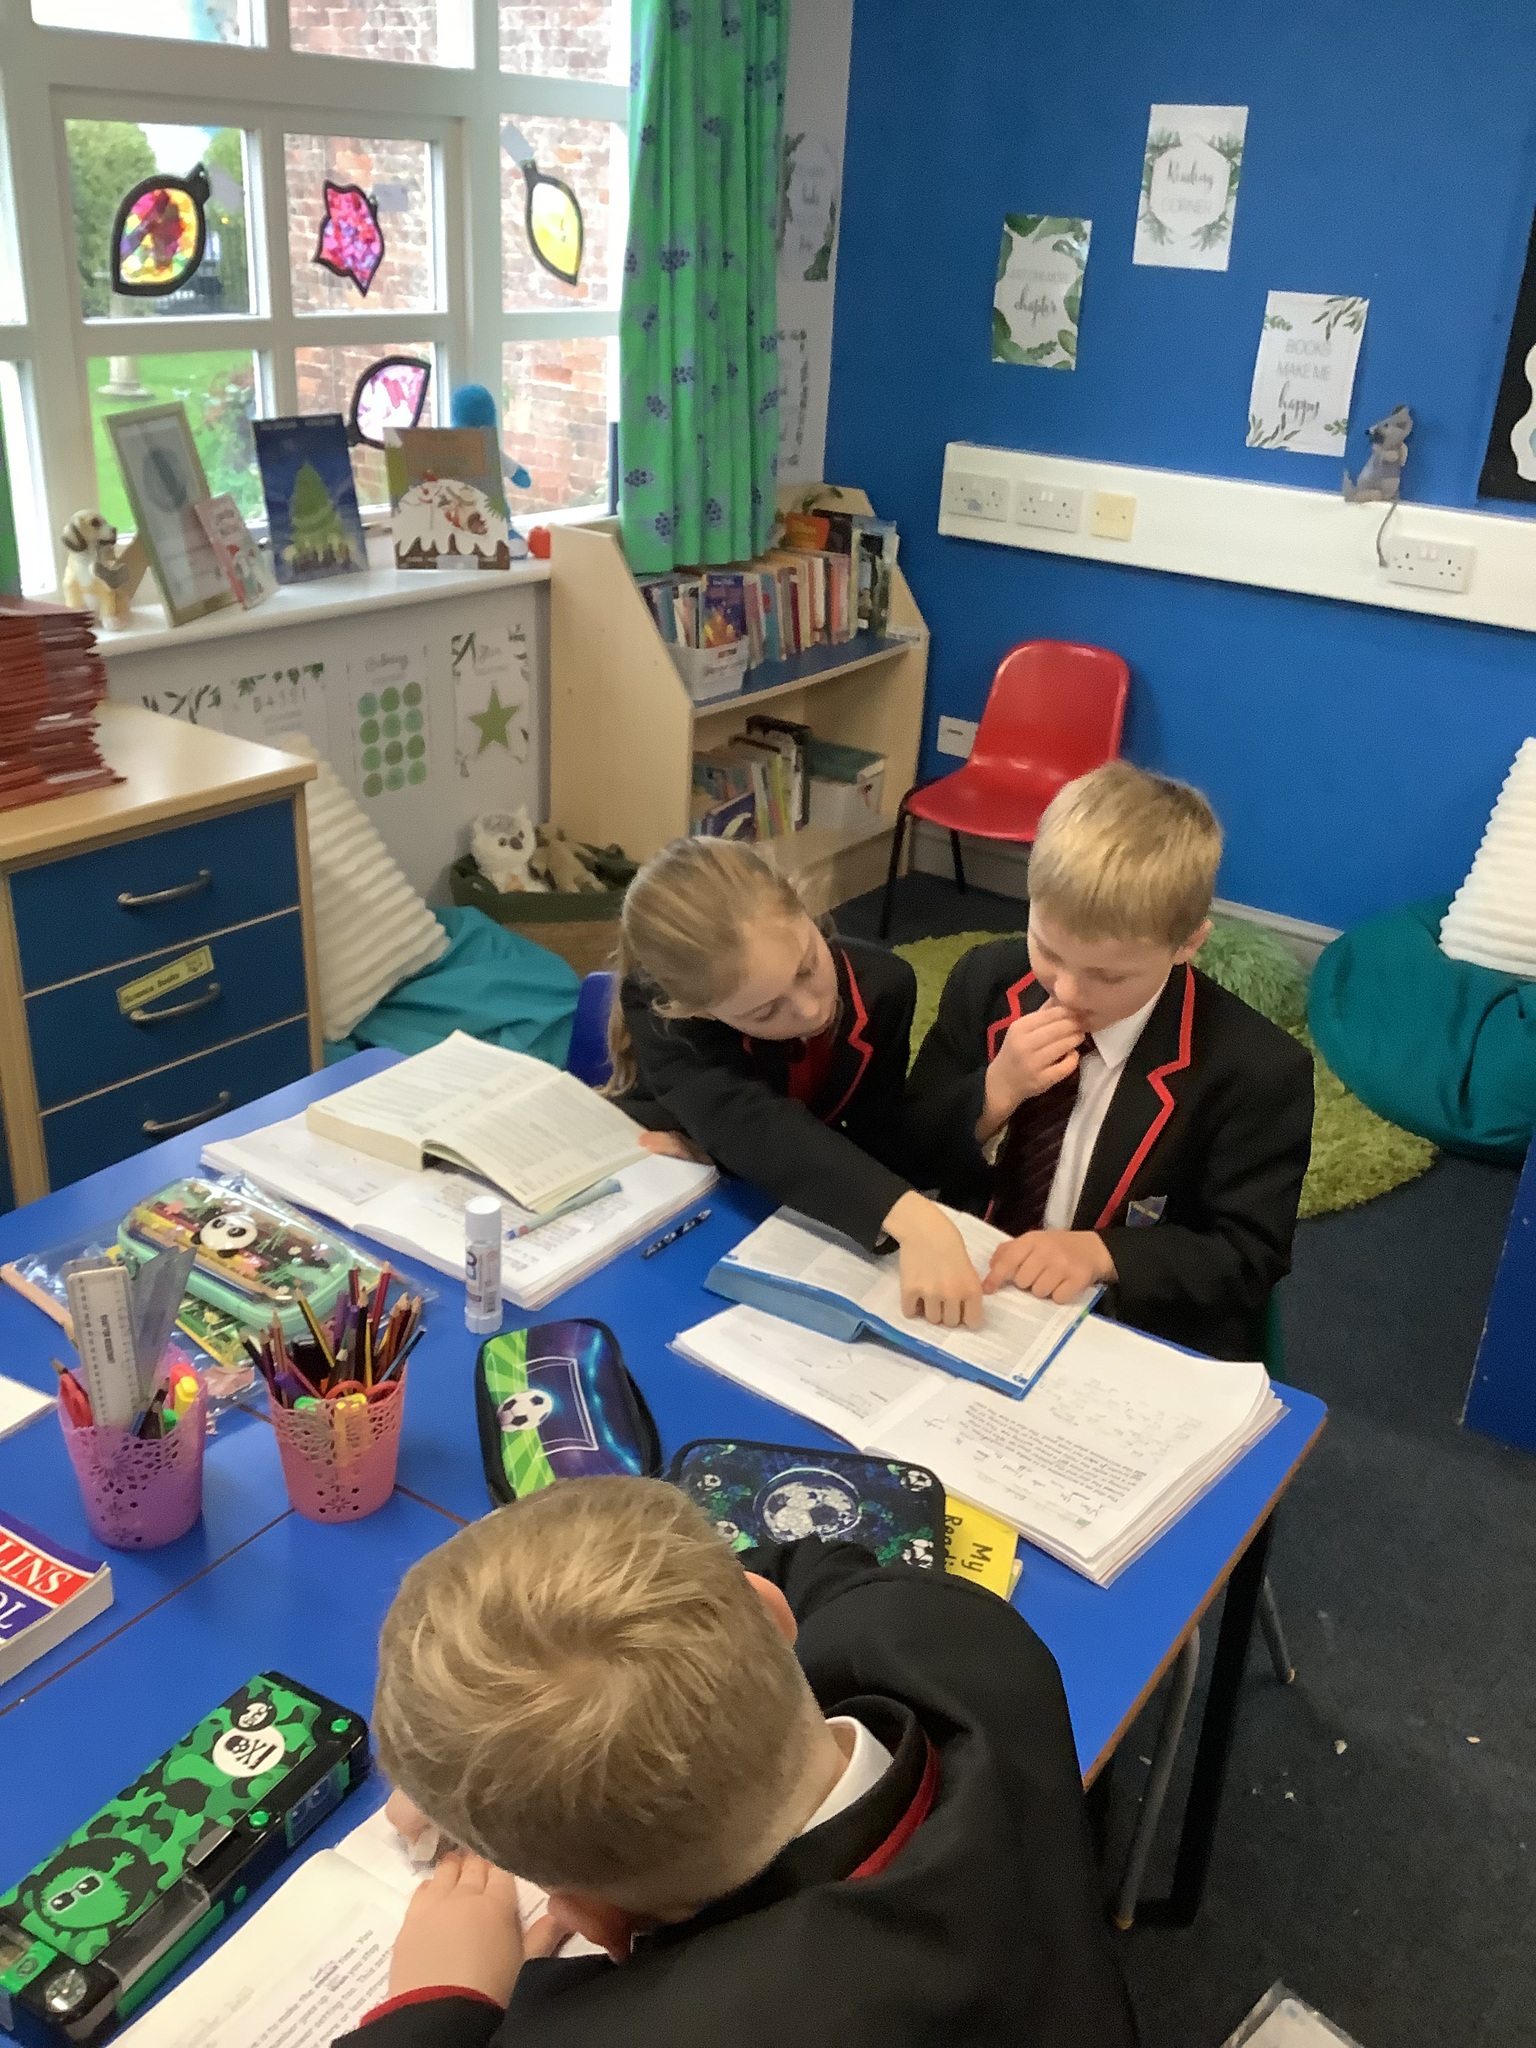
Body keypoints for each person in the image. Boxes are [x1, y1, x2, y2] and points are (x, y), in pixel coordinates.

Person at [339, 1477, 1138, 2048]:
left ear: (595, 1923)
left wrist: (439, 2008)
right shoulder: (953, 1643)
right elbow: (808, 1566)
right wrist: (500, 1728)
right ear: (771, 1615)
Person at [904, 762, 1313, 1360]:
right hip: (972, 1288)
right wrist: (993, 1093)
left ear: (1188, 944)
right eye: (1047, 950)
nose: (1066, 991)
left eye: (1110, 976)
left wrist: (1104, 1253)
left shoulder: (1257, 1071)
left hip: (1121, 1327)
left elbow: (1249, 1255)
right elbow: (905, 1145)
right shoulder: (986, 981)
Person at [606, 835, 980, 1328]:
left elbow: (874, 1141)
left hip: (790, 1213)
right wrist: (913, 1218)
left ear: (805, 910)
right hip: (673, 1205)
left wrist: (907, 1206)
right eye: (764, 1012)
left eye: (807, 967)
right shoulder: (663, 1016)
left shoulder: (885, 987)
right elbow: (750, 1124)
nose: (809, 1010)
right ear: (695, 1011)